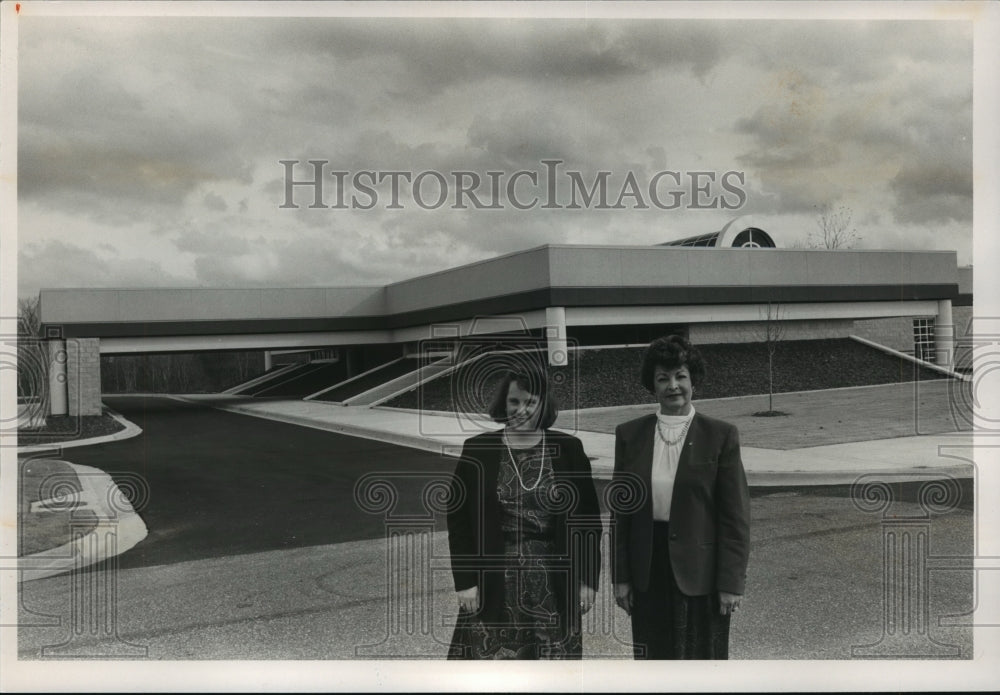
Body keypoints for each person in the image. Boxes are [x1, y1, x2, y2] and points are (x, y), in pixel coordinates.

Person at [446, 367, 602, 659]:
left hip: (554, 580)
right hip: (494, 579)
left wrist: (587, 580)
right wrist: (466, 581)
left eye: (531, 402)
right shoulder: (478, 450)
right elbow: (459, 522)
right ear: (504, 403)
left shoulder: (568, 449)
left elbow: (588, 522)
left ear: (544, 405)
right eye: (514, 401)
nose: (522, 409)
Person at [611, 335, 750, 659]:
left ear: (693, 381)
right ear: (652, 384)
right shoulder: (630, 435)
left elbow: (735, 518)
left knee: (702, 662)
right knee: (654, 662)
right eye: (663, 378)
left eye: (680, 376)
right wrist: (622, 577)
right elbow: (622, 516)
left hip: (702, 574)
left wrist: (731, 582)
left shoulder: (720, 436)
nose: (673, 386)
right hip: (648, 571)